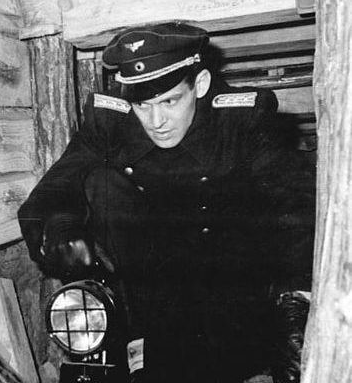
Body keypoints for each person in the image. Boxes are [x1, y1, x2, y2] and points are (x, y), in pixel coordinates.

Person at [18, 22, 314, 382]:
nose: (156, 121)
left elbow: (296, 206)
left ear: (200, 85)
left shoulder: (240, 122)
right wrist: (61, 223)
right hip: (148, 292)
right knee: (98, 180)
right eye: (142, 104)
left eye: (170, 102)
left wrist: (295, 301)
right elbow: (54, 187)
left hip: (230, 292)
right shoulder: (113, 122)